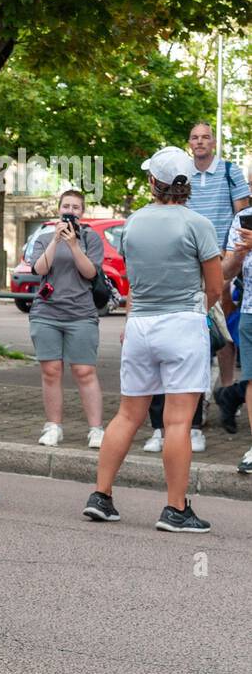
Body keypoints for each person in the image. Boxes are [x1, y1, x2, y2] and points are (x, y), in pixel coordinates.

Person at [84, 147, 223, 532]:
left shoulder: (132, 224)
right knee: (178, 420)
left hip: (141, 324)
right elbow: (214, 287)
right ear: (187, 185)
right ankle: (176, 509)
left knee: (128, 413)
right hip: (182, 325)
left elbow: (135, 276)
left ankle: (102, 495)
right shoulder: (199, 225)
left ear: (153, 183)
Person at [29, 190, 105, 448]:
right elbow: (39, 269)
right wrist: (56, 241)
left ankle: (96, 429)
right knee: (51, 371)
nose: (70, 210)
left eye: (76, 207)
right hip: (46, 313)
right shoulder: (43, 238)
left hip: (81, 313)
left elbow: (90, 272)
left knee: (84, 370)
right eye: (66, 206)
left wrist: (73, 244)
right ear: (59, 209)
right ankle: (53, 426)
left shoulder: (91, 239)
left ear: (82, 213)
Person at [188, 121, 249, 388]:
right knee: (192, 326)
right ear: (189, 143)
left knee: (221, 326)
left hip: (221, 258)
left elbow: (243, 218)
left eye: (205, 137)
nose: (200, 141)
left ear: (213, 142)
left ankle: (226, 390)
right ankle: (196, 391)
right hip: (189, 259)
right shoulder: (182, 174)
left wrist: (229, 255)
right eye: (195, 137)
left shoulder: (229, 171)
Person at [215, 205, 252, 474]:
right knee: (251, 379)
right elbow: (226, 272)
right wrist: (238, 256)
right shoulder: (243, 218)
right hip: (250, 311)